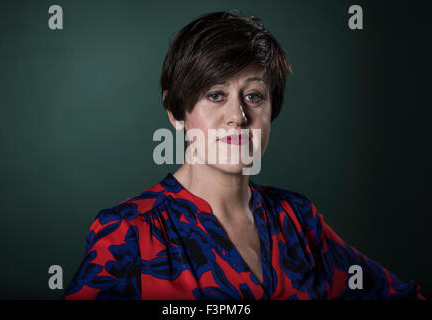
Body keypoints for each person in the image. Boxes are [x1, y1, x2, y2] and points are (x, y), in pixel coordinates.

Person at [63, 11, 425, 300]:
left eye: (253, 96)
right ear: (175, 111)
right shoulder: (128, 232)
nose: (237, 116)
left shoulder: (296, 221)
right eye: (215, 95)